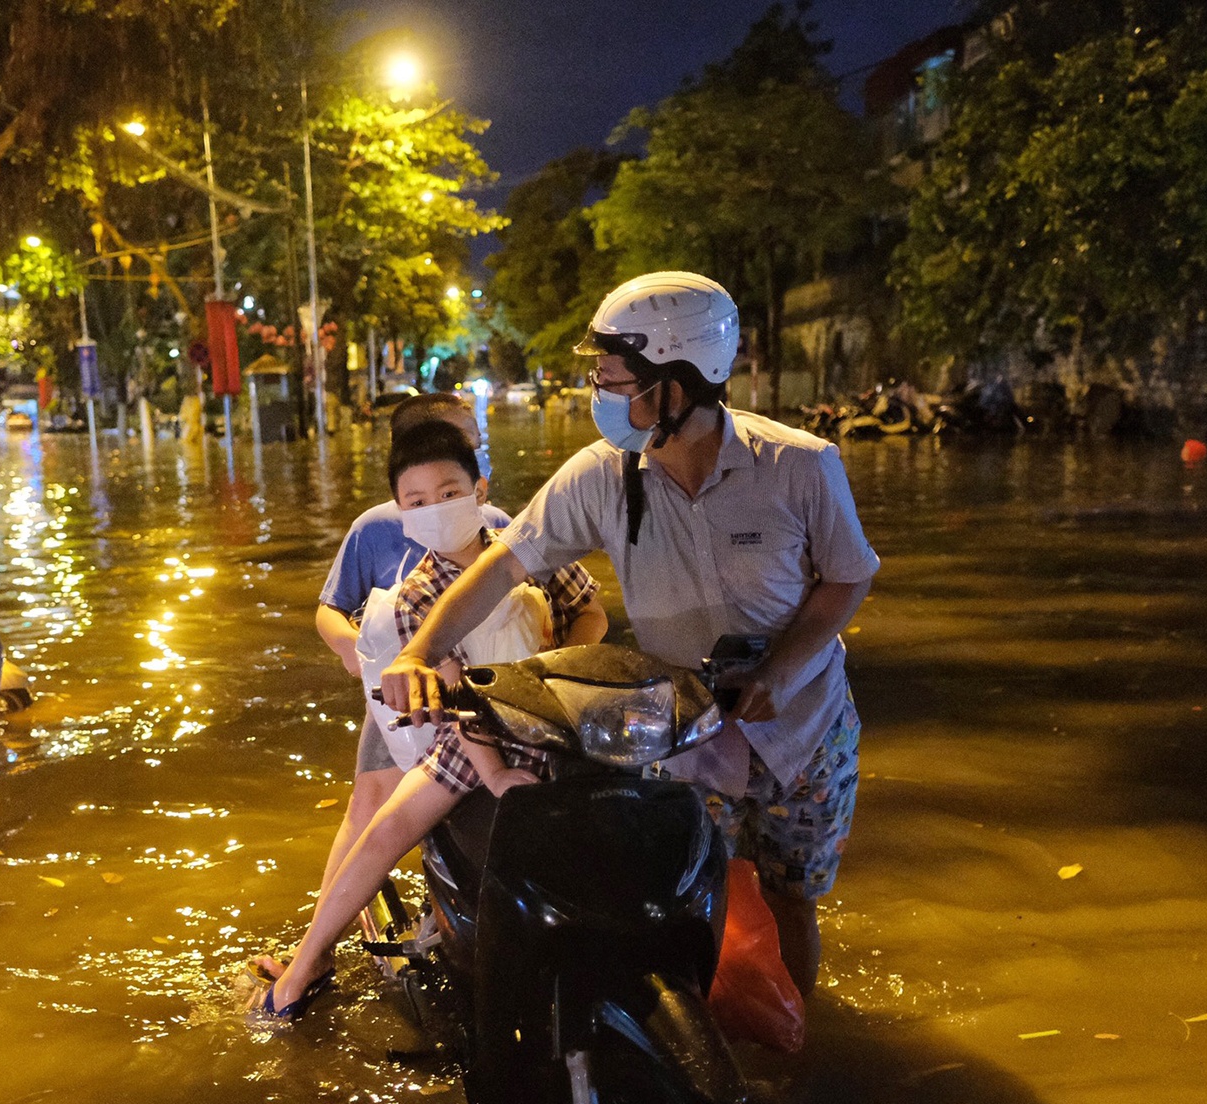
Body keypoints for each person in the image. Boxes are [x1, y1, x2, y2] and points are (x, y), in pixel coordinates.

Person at [382, 272, 880, 995]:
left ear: (678, 383)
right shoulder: (600, 477)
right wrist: (419, 649)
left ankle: (796, 1049)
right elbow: (501, 566)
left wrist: (782, 670)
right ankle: (698, 1039)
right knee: (684, 897)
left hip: (805, 729)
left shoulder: (800, 466)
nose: (600, 393)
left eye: (615, 379)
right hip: (686, 734)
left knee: (793, 900)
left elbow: (847, 578)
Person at [253, 419, 606, 1019]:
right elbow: (452, 694)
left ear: (480, 490)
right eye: (418, 502)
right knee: (386, 829)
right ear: (400, 511)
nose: (436, 509)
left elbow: (590, 612)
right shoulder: (417, 595)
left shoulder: (531, 549)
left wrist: (563, 669)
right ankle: (309, 958)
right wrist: (493, 776)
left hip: (556, 716)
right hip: (474, 735)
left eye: (449, 493)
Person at [309, 392, 511, 942]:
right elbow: (329, 609)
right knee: (372, 808)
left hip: (490, 692)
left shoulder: (498, 525)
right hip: (402, 695)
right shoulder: (374, 528)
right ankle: (316, 943)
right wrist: (353, 646)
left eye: (466, 447)